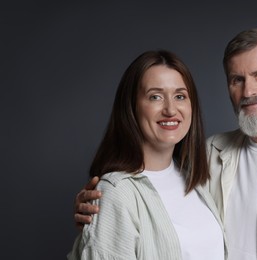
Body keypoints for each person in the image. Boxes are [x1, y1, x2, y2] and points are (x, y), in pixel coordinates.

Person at [73, 29, 257, 259]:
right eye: (237, 79)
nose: (249, 90)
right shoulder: (208, 156)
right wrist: (104, 204)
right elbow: (140, 195)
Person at [68, 50, 226, 260]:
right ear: (131, 108)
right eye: (155, 97)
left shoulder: (195, 179)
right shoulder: (116, 192)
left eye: (180, 96)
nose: (171, 109)